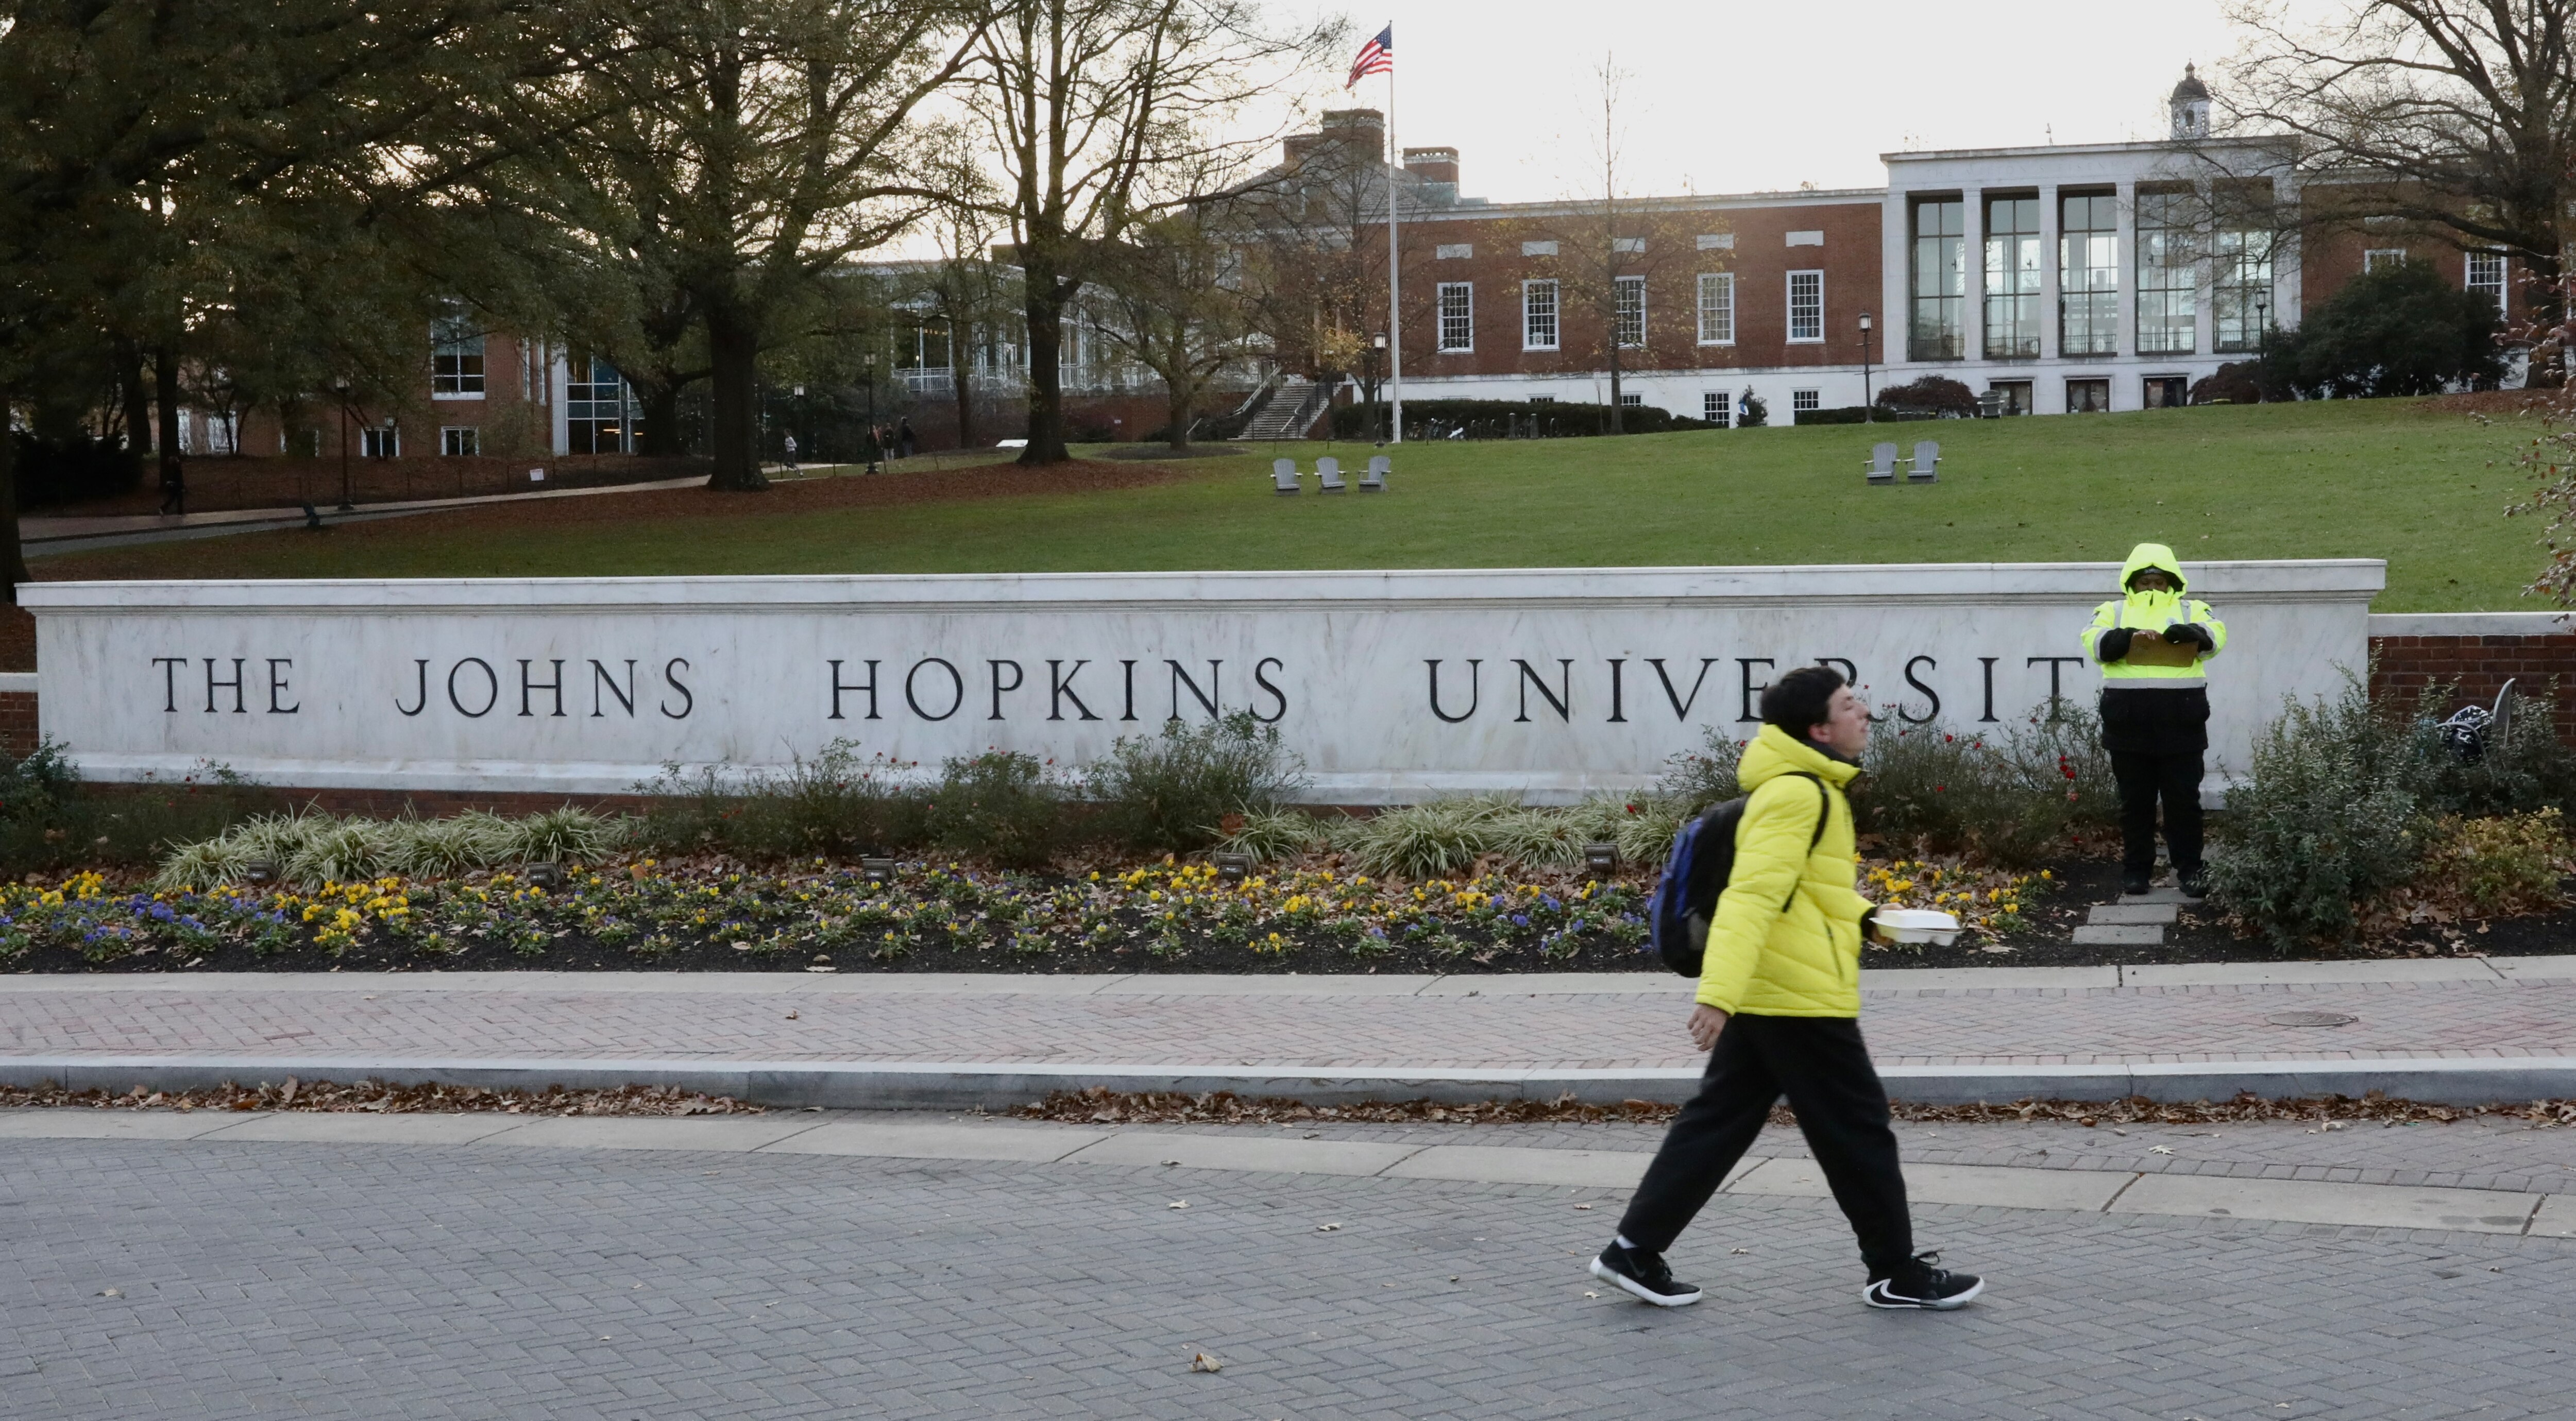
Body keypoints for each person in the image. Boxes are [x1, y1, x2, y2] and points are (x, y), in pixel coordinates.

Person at [1591, 666, 1985, 1313]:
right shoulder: (1798, 794)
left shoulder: (1810, 788)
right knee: (1856, 1129)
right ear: (1818, 729)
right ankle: (1894, 1272)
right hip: (1795, 995)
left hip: (1776, 989)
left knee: (1718, 1122)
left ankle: (1631, 1250)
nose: (1863, 712)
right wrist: (1716, 995)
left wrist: (1870, 918)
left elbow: (1809, 890)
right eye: (1848, 704)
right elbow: (1749, 898)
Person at [2080, 543, 2227, 898]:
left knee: (2184, 802)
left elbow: (2216, 638)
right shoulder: (2113, 610)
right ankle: (2136, 871)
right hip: (2128, 722)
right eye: (2145, 581)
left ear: (2171, 582)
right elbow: (2094, 643)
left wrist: (2193, 634)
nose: (2152, 587)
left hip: (2182, 721)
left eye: (2159, 581)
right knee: (2135, 803)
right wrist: (2126, 638)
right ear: (2132, 582)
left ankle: (2190, 869)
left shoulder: (2191, 608)